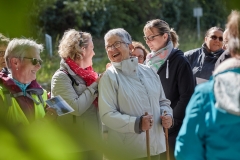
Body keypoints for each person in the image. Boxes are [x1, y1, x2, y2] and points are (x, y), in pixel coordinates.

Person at [98, 28, 173, 160]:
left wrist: (167, 115)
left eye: (116, 44)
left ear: (130, 46)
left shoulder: (149, 71)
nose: (112, 49)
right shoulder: (109, 77)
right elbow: (106, 115)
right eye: (108, 47)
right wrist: (137, 123)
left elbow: (163, 102)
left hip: (155, 148)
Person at [175, 10, 240, 160]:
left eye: (221, 39)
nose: (217, 41)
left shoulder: (205, 94)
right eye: (214, 37)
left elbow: (186, 150)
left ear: (228, 45)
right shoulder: (190, 56)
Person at [143, 19, 195, 159]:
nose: (148, 41)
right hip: (153, 127)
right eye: (146, 38)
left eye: (151, 37)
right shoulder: (147, 61)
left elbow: (187, 96)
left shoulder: (180, 61)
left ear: (165, 36)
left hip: (173, 129)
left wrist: (172, 122)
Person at [51, 29, 102, 160]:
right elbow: (75, 109)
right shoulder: (60, 77)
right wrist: (96, 85)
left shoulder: (89, 76)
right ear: (82, 51)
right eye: (92, 48)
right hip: (73, 148)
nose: (94, 53)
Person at [0, 38, 57, 126]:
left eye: (40, 62)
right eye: (34, 61)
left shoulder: (42, 93)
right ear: (15, 62)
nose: (39, 66)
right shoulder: (2, 95)